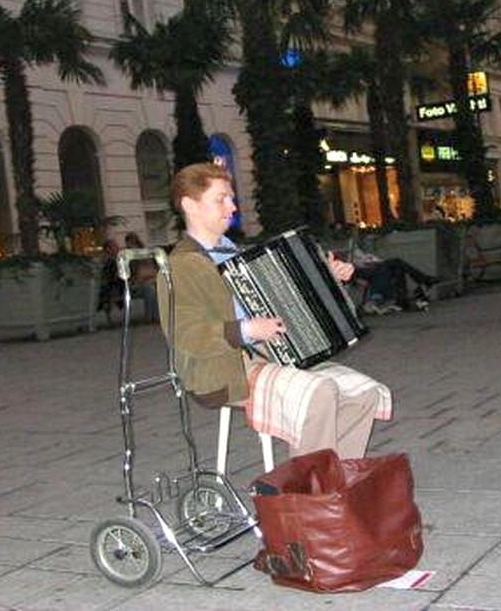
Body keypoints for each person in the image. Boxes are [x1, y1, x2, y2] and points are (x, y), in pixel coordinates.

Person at [157, 163, 392, 459]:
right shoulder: (180, 265)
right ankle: (310, 483)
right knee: (318, 393)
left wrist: (326, 278)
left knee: (363, 393)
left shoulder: (235, 253)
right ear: (190, 205)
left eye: (231, 198)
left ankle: (334, 476)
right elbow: (184, 334)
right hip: (224, 367)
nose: (232, 207)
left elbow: (285, 301)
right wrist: (247, 330)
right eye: (221, 199)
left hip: (273, 353)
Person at [352, 245, 438, 313]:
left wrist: (372, 260)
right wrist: (367, 263)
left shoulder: (352, 245)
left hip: (371, 266)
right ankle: (424, 280)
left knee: (398, 269)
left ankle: (402, 300)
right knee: (397, 262)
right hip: (360, 270)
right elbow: (352, 264)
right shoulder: (346, 249)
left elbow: (363, 256)